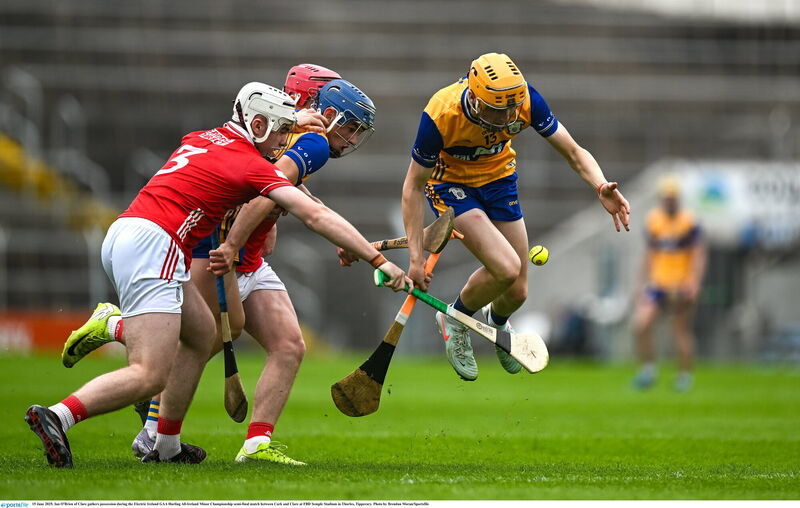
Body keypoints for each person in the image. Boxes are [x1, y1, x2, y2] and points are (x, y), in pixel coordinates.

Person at [27, 81, 410, 468]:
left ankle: (166, 447)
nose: (282, 141)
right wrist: (379, 262)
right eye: (278, 130)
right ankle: (59, 415)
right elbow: (315, 215)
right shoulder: (246, 162)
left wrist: (295, 119)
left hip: (133, 233)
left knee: (200, 334)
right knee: (150, 375)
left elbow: (292, 192)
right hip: (155, 245)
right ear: (258, 124)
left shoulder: (205, 137)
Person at [398, 52, 631, 381]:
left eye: (511, 108)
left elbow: (574, 151)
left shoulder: (525, 101)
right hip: (452, 187)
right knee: (506, 267)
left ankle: (496, 324)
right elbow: (412, 187)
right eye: (498, 110)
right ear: (476, 100)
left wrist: (600, 185)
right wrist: (415, 258)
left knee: (518, 291)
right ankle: (454, 319)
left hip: (499, 182)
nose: (508, 117)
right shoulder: (441, 113)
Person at [632, 175, 706, 392]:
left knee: (680, 330)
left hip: (681, 285)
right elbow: (648, 254)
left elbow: (699, 254)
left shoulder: (688, 221)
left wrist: (694, 282)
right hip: (658, 284)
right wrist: (641, 283)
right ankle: (648, 371)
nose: (669, 201)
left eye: (673, 198)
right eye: (666, 198)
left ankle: (684, 376)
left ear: (678, 199)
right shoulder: (654, 220)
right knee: (641, 325)